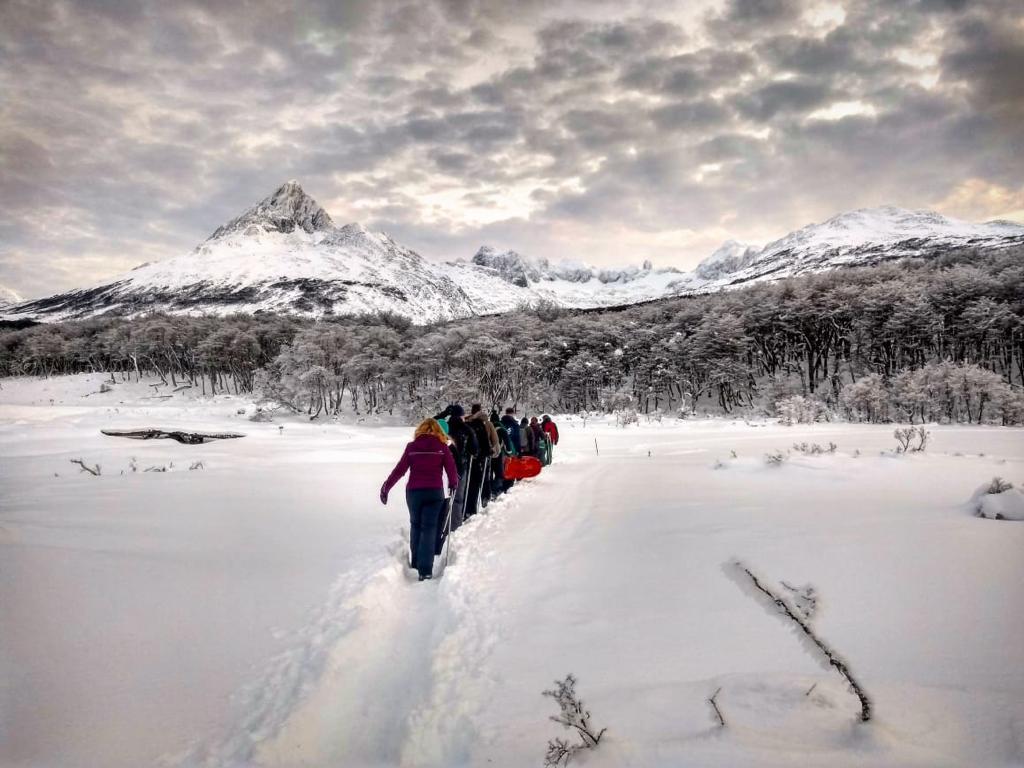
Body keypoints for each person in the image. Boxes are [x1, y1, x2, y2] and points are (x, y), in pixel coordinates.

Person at [380, 419, 458, 581]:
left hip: (414, 492)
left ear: (420, 430)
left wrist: (386, 487)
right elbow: (452, 470)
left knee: (415, 525)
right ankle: (425, 570)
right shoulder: (442, 447)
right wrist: (453, 484)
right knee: (429, 529)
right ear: (438, 431)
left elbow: (400, 470)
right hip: (434, 493)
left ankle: (416, 563)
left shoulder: (412, 447)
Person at [465, 403, 499, 514]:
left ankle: (470, 509)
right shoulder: (488, 424)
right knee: (485, 480)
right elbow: (495, 440)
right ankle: (486, 501)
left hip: (471, 457)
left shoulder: (467, 423)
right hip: (484, 455)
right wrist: (494, 453)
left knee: (472, 483)